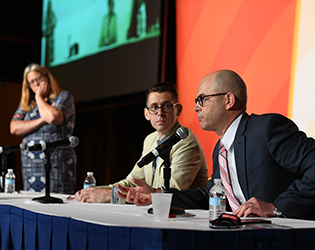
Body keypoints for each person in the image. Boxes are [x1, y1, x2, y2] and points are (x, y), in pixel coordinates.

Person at [117, 69, 315, 220]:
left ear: (228, 100)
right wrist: (158, 195)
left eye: (202, 99)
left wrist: (276, 208)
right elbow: (210, 196)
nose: (195, 107)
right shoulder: (220, 149)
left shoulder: (266, 129)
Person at [75, 82, 208, 203]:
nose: (160, 113)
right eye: (154, 107)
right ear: (146, 114)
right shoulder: (150, 139)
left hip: (182, 218)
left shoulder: (186, 142)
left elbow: (170, 192)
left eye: (166, 106)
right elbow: (132, 182)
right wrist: (94, 191)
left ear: (178, 109)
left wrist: (110, 195)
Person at [10, 63, 76, 194]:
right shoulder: (27, 105)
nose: (36, 84)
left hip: (56, 161)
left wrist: (39, 98)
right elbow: (14, 128)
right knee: (33, 204)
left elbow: (53, 118)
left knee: (56, 202)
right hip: (31, 165)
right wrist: (41, 120)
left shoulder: (62, 97)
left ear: (47, 77)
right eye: (31, 82)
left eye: (39, 79)